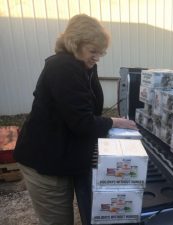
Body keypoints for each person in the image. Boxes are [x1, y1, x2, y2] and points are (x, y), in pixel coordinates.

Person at [13, 14, 137, 225]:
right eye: (93, 51)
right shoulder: (63, 67)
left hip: (62, 156)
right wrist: (114, 123)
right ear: (74, 43)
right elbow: (82, 122)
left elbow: (85, 111)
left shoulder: (84, 66)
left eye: (101, 52)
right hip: (46, 162)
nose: (97, 56)